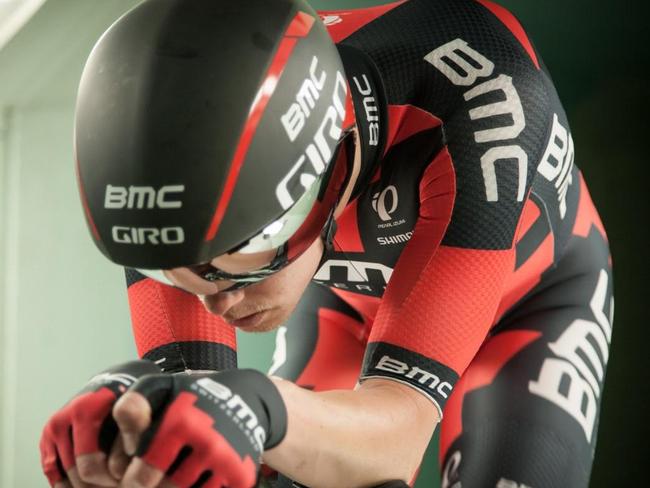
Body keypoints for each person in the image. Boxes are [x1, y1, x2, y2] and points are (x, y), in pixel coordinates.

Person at [40, 0, 614, 486]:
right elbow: (199, 412)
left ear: (328, 178)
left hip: (528, 307)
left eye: (239, 252)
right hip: (345, 296)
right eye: (171, 268)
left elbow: (397, 436)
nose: (215, 301)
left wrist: (263, 407)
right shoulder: (179, 200)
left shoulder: (484, 108)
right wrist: (139, 416)